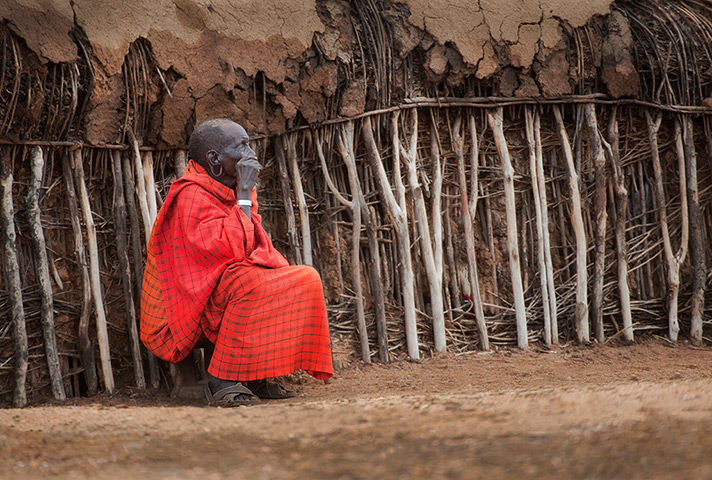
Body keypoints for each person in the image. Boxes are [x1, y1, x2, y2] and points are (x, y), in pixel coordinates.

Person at [140, 118, 333, 406]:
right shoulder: (189, 195)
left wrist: (243, 196)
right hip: (181, 311)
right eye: (241, 146)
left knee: (305, 278)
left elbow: (252, 246)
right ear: (215, 159)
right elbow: (226, 252)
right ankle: (223, 381)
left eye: (249, 143)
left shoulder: (234, 189)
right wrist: (243, 196)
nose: (251, 153)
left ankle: (255, 375)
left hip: (218, 293)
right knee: (247, 282)